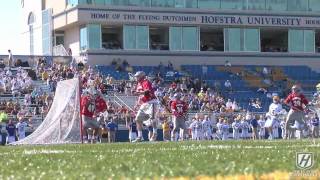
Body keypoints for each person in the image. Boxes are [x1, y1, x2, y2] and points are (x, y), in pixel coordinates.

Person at [132, 71, 158, 142]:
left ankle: (155, 133)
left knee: (152, 118)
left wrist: (137, 92)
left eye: (137, 76)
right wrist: (137, 100)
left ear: (142, 76)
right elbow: (140, 94)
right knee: (138, 119)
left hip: (151, 102)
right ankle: (140, 137)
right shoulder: (138, 83)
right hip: (144, 103)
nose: (136, 78)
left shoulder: (146, 82)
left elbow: (147, 91)